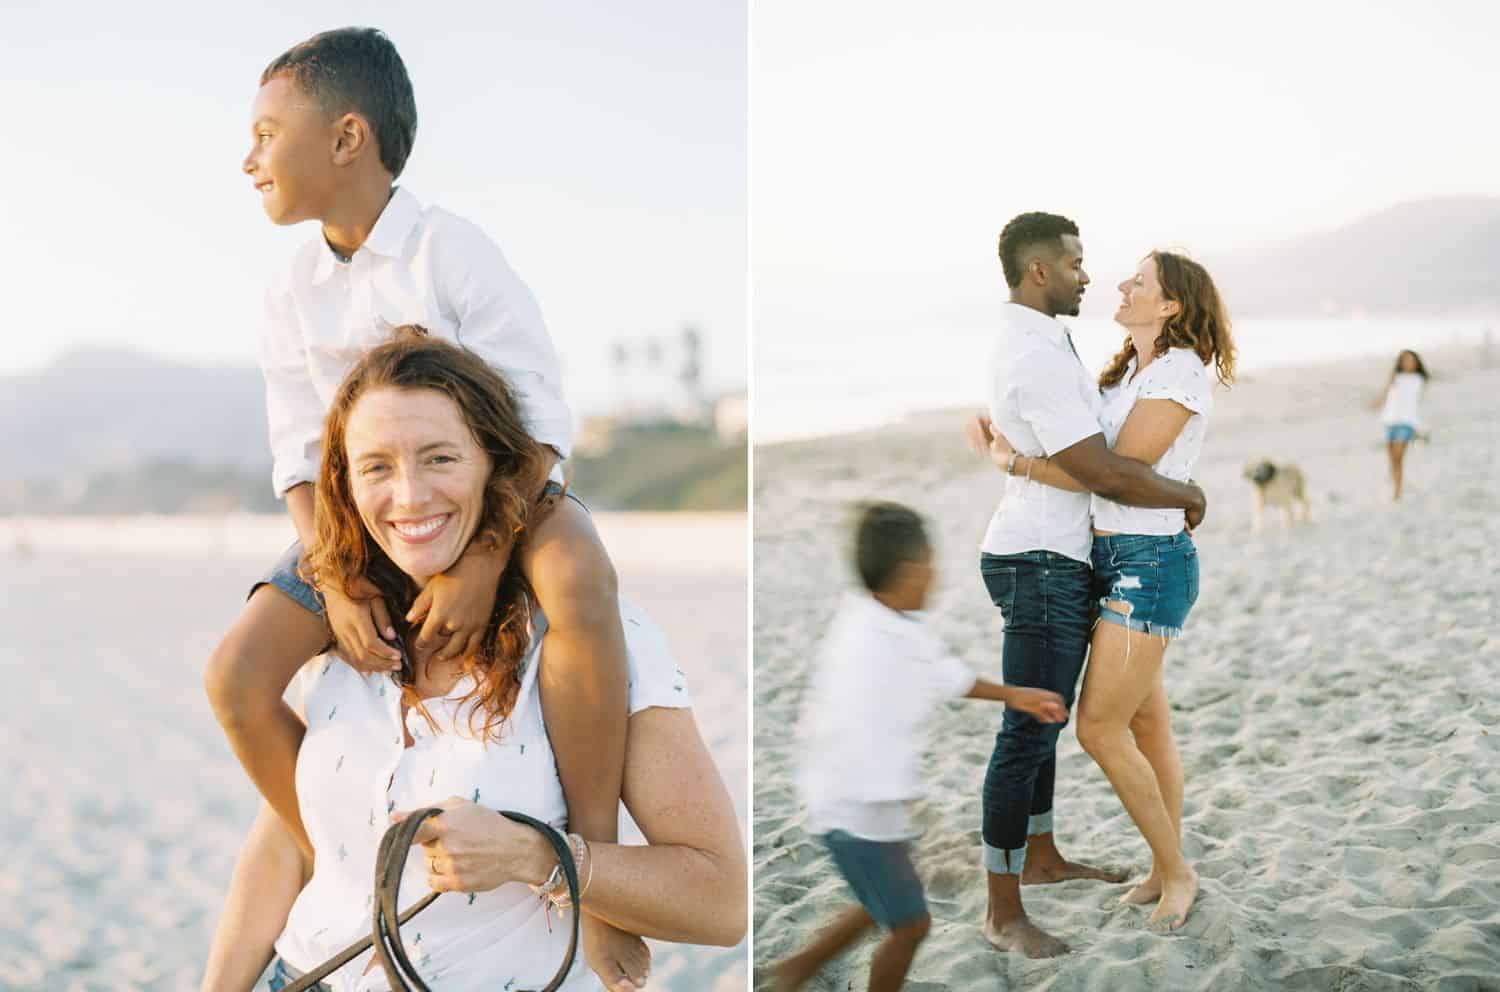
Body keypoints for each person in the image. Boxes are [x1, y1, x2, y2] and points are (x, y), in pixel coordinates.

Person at [204, 27, 638, 979]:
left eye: (267, 133)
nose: (248, 158)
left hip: (497, 493)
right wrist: (337, 576)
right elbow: (293, 455)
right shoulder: (289, 291)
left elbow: (542, 419)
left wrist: (486, 560)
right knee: (235, 675)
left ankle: (595, 874)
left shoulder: (449, 248)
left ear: (346, 138)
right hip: (360, 520)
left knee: (576, 573)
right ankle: (328, 848)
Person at [200, 330, 746, 992]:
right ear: (346, 485)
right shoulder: (342, 638)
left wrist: (534, 855)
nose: (409, 496)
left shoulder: (595, 639)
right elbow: (292, 842)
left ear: (495, 463)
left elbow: (722, 903)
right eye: (376, 467)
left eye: (439, 458)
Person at [961, 212, 1210, 957]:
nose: (1092, 276)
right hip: (1043, 558)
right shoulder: (1039, 351)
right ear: (1040, 271)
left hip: (1089, 558)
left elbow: (1108, 463)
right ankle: (1004, 910)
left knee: (1105, 723)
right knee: (1035, 728)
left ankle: (1046, 857)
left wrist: (1013, 461)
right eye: (1077, 263)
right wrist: (1188, 496)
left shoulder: (1056, 341)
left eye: (1130, 276)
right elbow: (1106, 474)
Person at [769, 503, 1069, 992]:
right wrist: (906, 812)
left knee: (877, 906)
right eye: (932, 565)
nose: (936, 576)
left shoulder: (869, 617)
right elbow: (863, 735)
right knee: (911, 924)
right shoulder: (889, 641)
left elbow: (950, 677)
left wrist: (1016, 695)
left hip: (837, 802)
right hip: (859, 811)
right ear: (910, 572)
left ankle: (795, 971)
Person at [1372, 349, 1429, 501]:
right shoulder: (1396, 378)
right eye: (1405, 360)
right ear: (1400, 363)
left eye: (1411, 360)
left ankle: (1397, 493)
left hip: (1407, 422)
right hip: (1390, 420)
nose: (1408, 363)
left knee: (1398, 457)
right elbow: (1388, 396)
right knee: (1392, 460)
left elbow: (1411, 397)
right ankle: (1397, 486)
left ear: (1416, 363)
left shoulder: (1418, 379)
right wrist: (1380, 398)